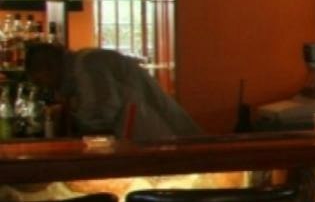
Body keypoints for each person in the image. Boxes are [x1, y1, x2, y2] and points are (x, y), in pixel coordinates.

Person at [24, 43, 200, 142]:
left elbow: (100, 114)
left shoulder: (86, 66)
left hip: (158, 138)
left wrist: (74, 122)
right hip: (155, 138)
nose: (43, 87)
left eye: (40, 80)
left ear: (49, 67)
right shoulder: (84, 63)